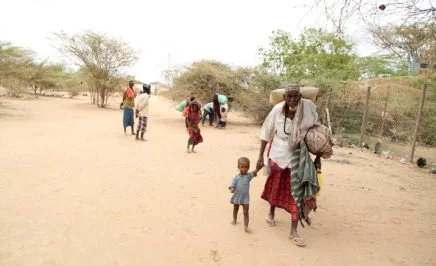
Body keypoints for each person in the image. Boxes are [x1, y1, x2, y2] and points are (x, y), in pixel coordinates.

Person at [256, 84, 321, 247]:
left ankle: (293, 231)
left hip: (298, 155)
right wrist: (260, 157)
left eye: (295, 96)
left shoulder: (308, 109)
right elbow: (266, 132)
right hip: (278, 153)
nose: (292, 99)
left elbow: (317, 133)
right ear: (285, 98)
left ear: (300, 97)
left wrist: (318, 156)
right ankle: (271, 211)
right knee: (275, 186)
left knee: (297, 193)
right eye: (289, 96)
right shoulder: (278, 110)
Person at [229, 157, 262, 233]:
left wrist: (259, 167)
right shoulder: (236, 178)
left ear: (249, 167)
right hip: (237, 196)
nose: (244, 169)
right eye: (242, 167)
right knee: (235, 208)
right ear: (238, 167)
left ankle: (246, 227)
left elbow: (255, 172)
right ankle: (234, 219)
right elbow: (232, 185)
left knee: (246, 212)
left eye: (246, 167)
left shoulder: (248, 176)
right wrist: (232, 189)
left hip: (245, 198)